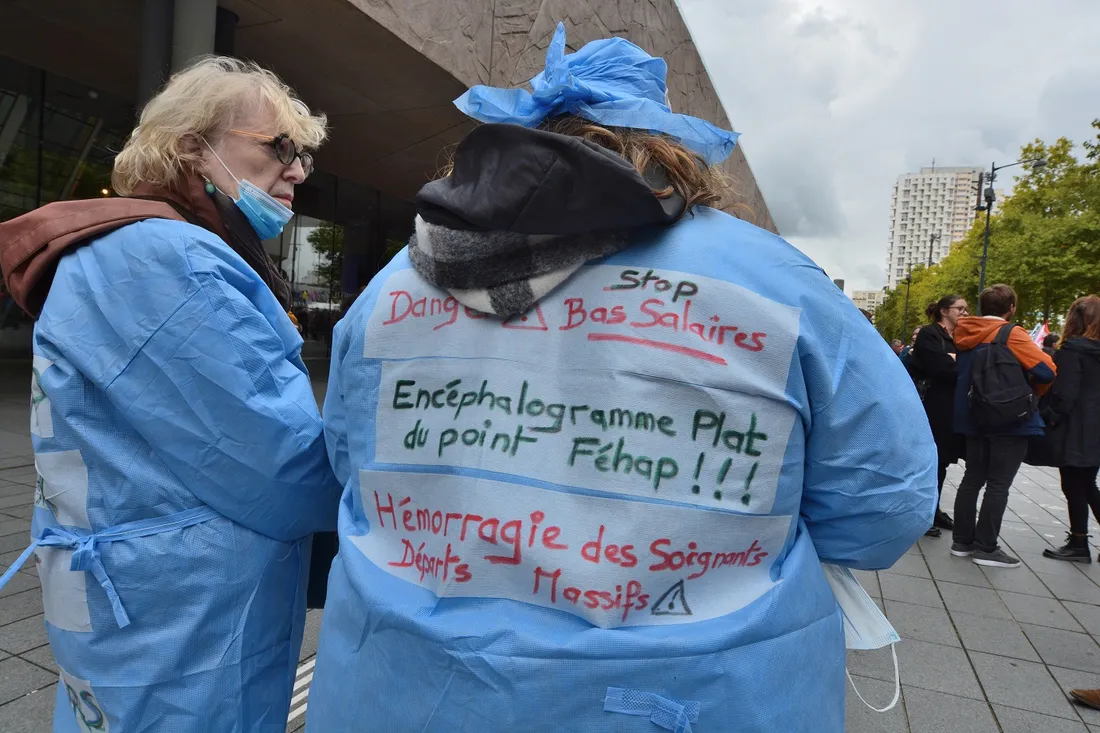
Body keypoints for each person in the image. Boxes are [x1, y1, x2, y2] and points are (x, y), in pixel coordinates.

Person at [306, 24, 937, 731]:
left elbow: (347, 459)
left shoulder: (398, 281)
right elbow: (886, 503)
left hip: (405, 691)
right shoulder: (777, 284)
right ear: (673, 146)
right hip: (682, 698)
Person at [0, 58, 342, 730]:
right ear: (194, 148)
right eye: (280, 147)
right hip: (182, 629)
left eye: (303, 154)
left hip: (124, 608)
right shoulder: (175, 262)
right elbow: (282, 467)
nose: (298, 170)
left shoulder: (111, 251)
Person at [951, 284, 1056, 568]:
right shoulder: (1012, 334)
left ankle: (961, 541)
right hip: (1009, 418)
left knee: (972, 478)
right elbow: (1047, 370)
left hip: (973, 417)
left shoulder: (964, 332)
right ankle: (986, 547)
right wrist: (1031, 394)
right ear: (1011, 308)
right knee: (998, 483)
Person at [1039, 296, 1100, 562]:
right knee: (1087, 483)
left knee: (1074, 483)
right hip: (1095, 425)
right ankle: (1078, 542)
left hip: (1077, 425)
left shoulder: (1074, 350)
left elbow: (1066, 392)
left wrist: (1050, 416)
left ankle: (1079, 543)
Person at [912, 295, 969, 537]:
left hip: (950, 407)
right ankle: (921, 513)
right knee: (930, 461)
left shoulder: (959, 336)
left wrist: (958, 360)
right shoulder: (929, 333)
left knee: (942, 461)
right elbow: (942, 368)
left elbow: (964, 365)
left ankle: (932, 510)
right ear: (945, 311)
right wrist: (957, 362)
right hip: (932, 405)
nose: (965, 313)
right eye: (960, 309)